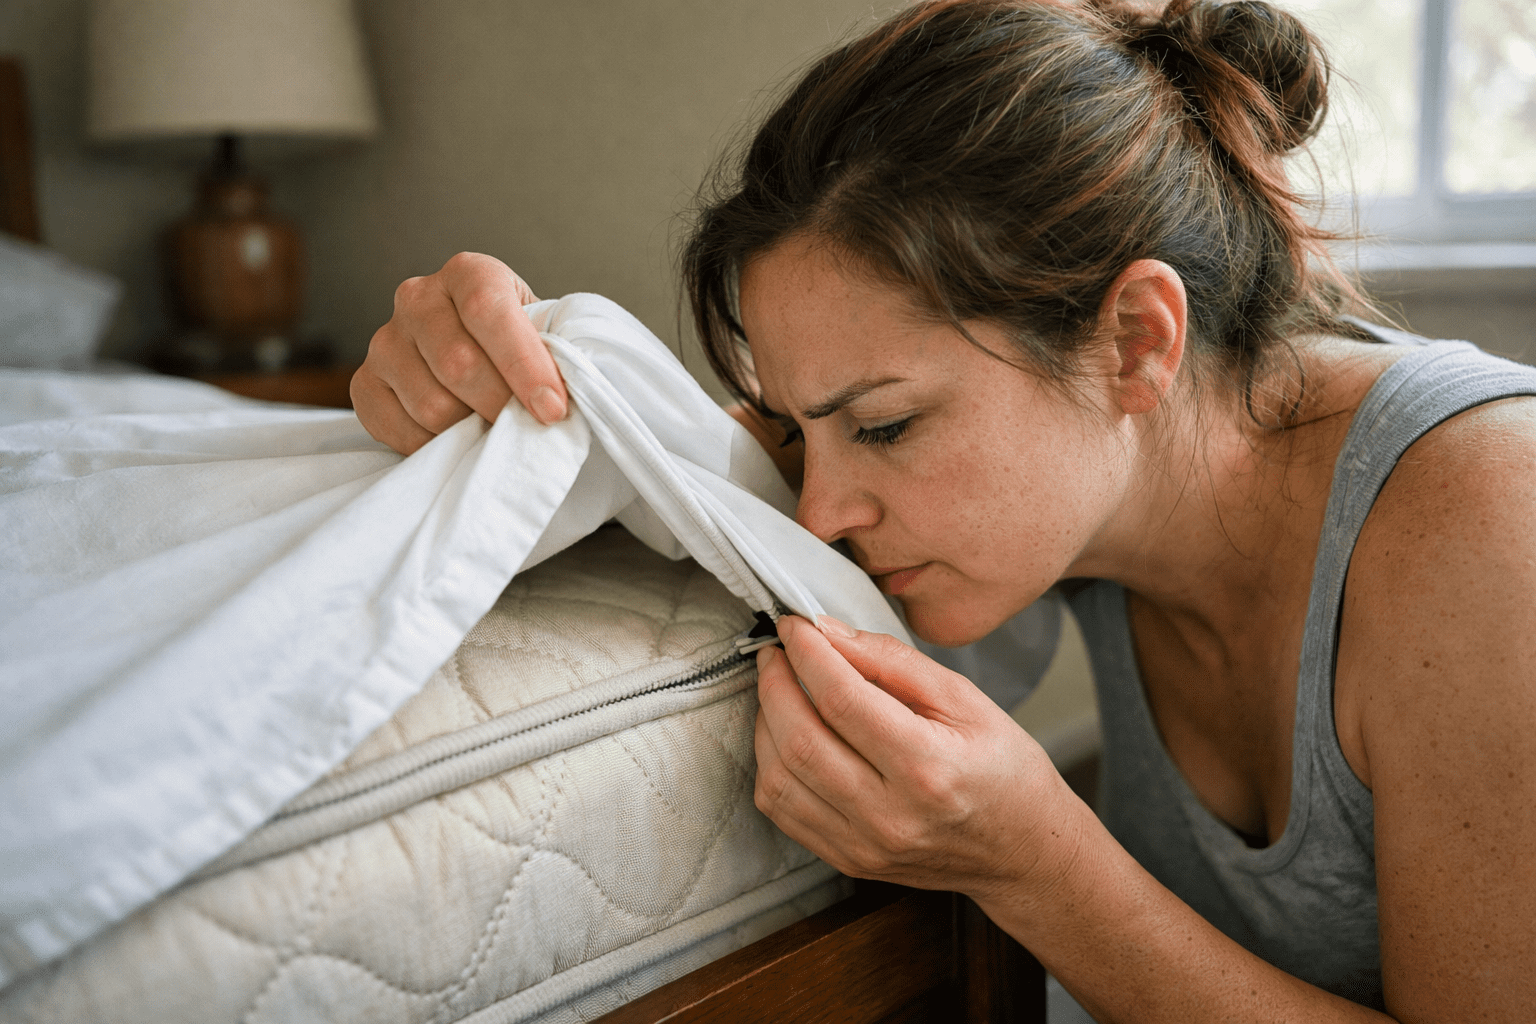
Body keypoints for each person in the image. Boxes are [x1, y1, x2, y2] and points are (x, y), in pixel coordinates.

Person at [351, 0, 1536, 1018]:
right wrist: (487, 354)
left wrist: (1034, 862)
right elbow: (683, 461)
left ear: (1136, 341)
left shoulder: (1489, 518)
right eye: (806, 429)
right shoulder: (1094, 471)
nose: (822, 513)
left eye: (885, 426)